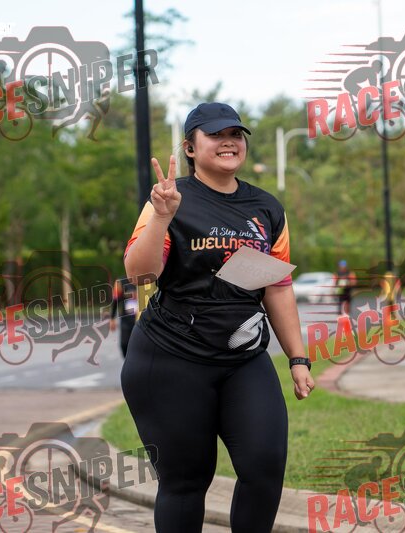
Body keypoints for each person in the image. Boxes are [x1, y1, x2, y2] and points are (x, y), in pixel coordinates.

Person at [121, 102, 314, 532]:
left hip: (242, 358)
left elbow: (277, 287)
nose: (229, 142)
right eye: (215, 134)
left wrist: (298, 359)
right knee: (187, 480)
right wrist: (162, 217)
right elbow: (140, 275)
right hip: (170, 359)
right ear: (190, 148)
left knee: (264, 468)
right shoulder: (169, 198)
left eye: (235, 134)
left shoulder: (266, 207)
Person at [108, 277, 138, 357]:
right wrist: (112, 318)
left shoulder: (148, 279)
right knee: (124, 344)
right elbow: (115, 300)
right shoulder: (121, 282)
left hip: (142, 319)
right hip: (126, 319)